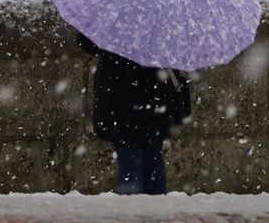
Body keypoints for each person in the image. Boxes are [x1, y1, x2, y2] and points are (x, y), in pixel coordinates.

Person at [79, 33, 192, 195]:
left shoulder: (113, 14)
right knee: (152, 157)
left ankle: (133, 211)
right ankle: (156, 209)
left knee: (130, 160)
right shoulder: (162, 15)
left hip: (120, 96)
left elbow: (88, 44)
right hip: (156, 95)